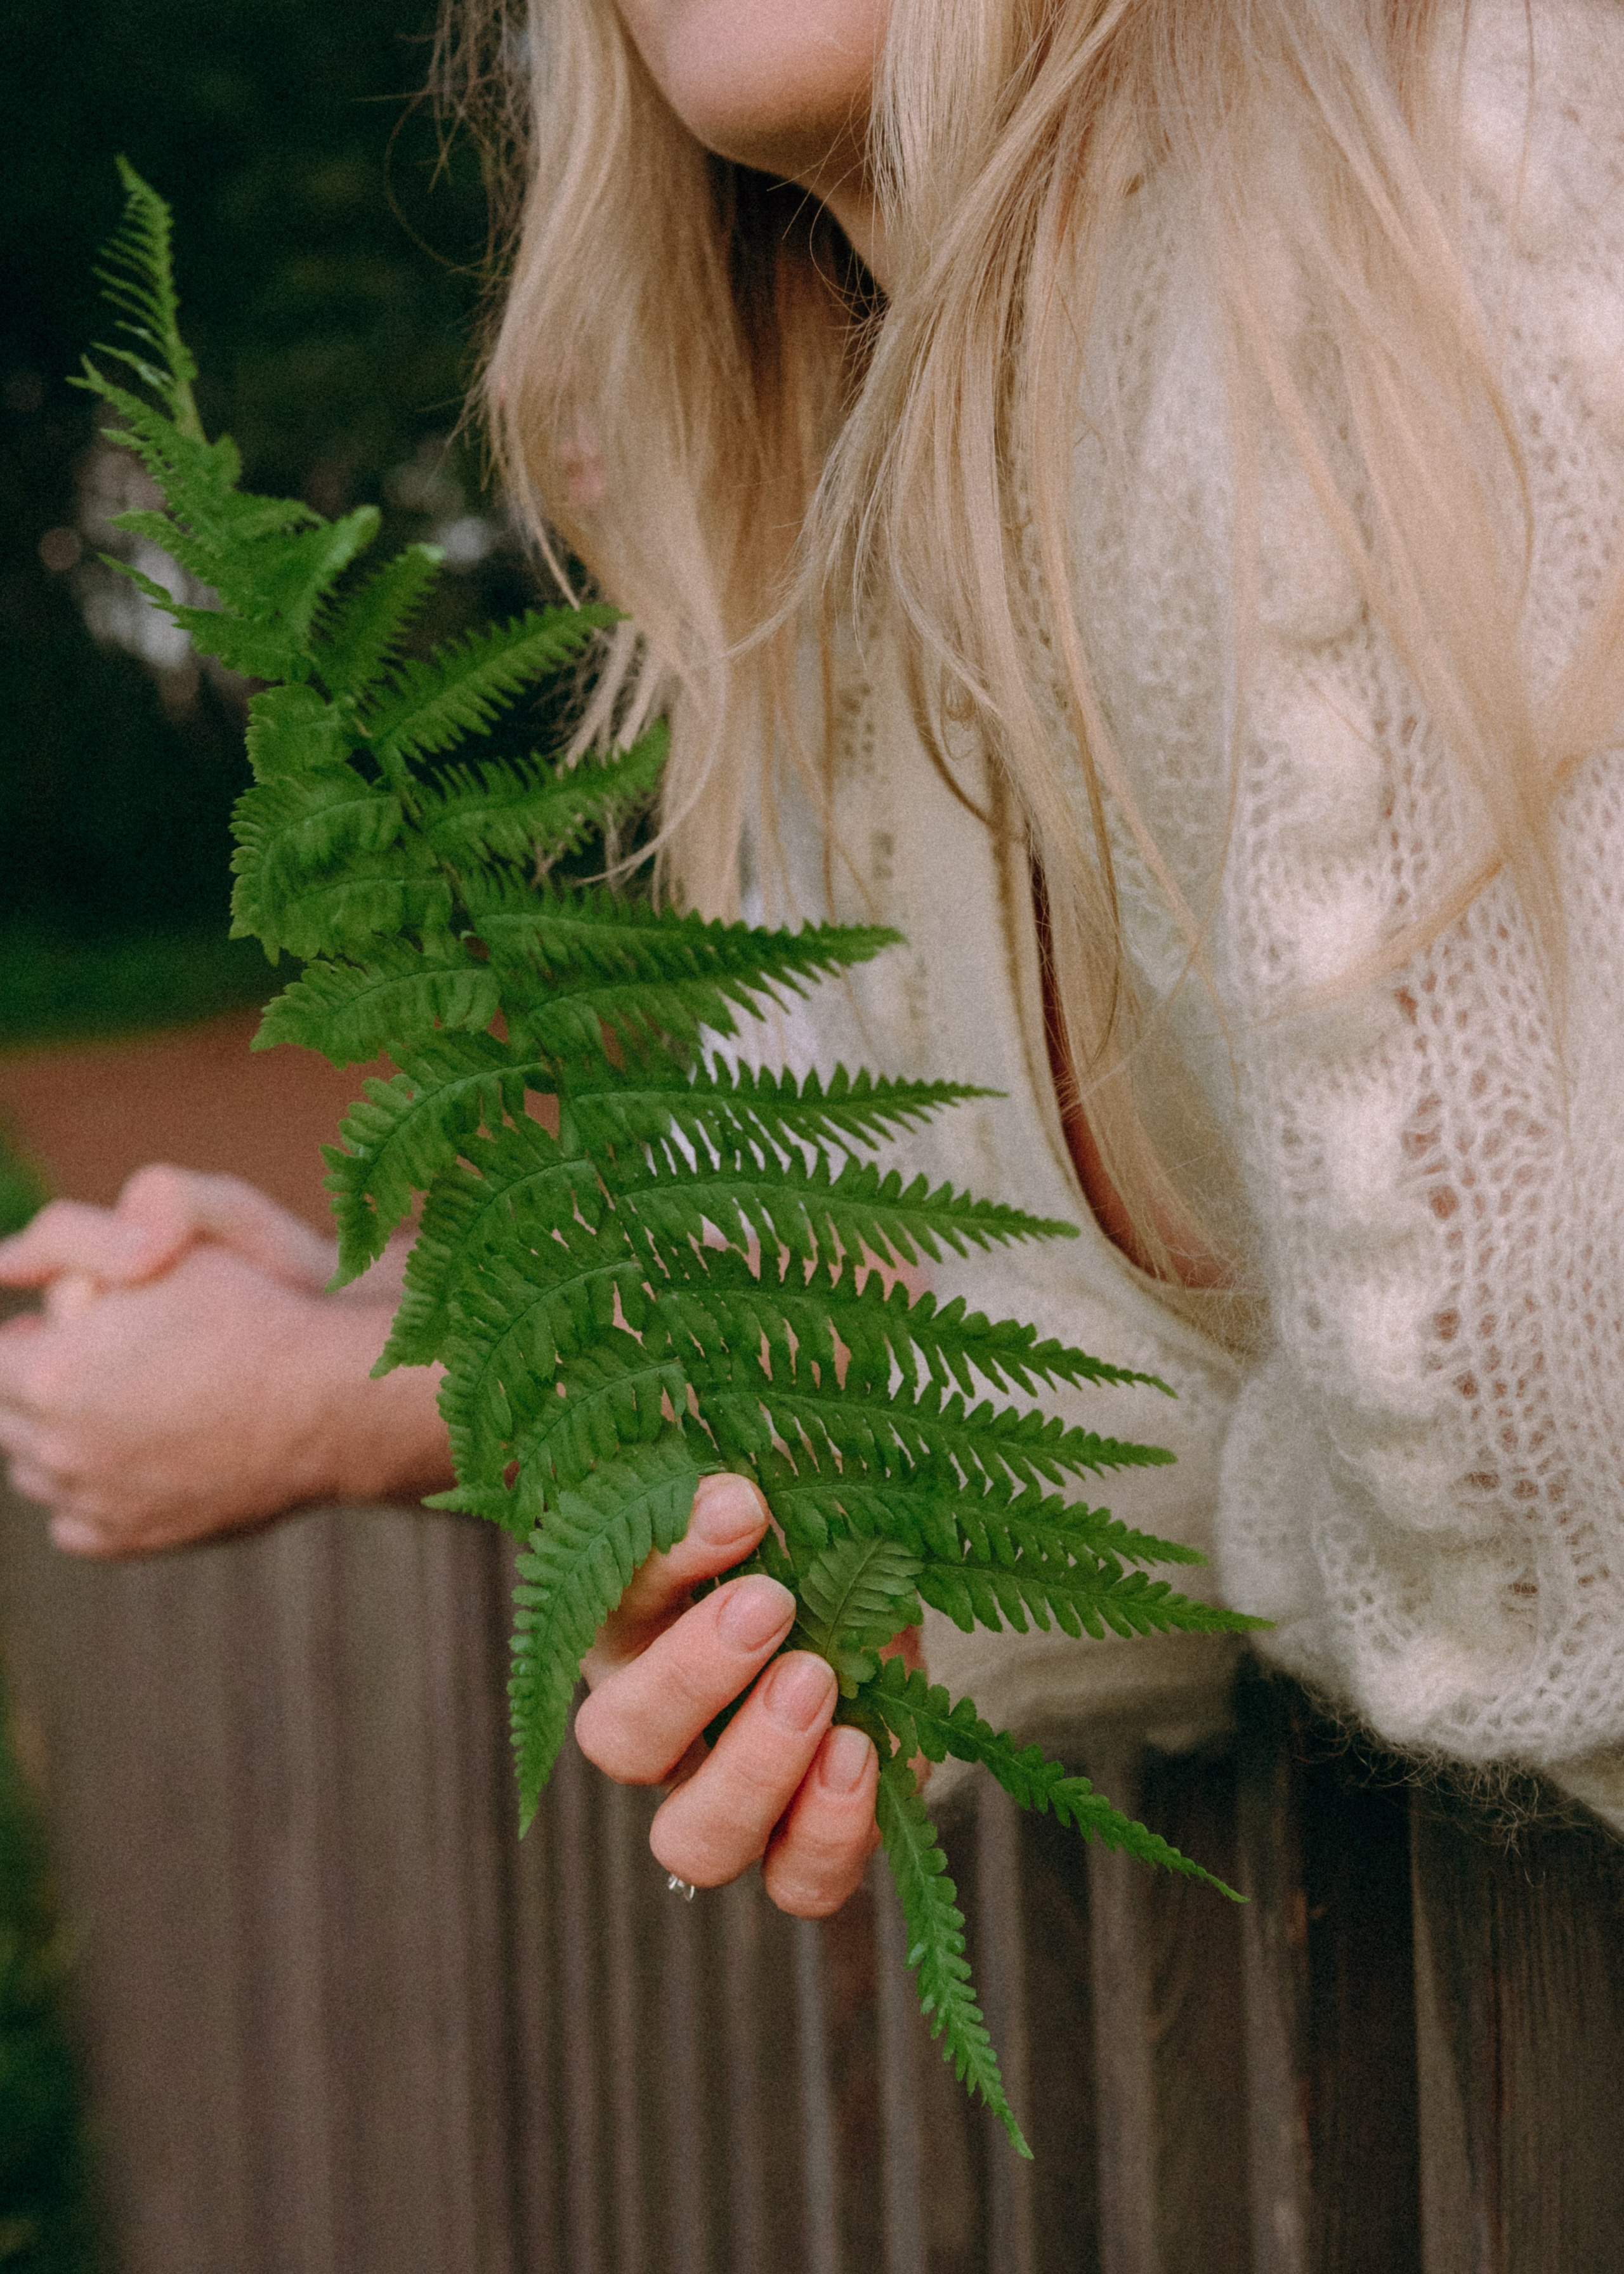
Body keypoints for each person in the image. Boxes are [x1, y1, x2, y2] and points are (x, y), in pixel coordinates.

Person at [6, 0, 1624, 1915]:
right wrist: (448, 1341)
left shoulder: (1422, 206)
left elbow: (1547, 1499)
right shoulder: (855, 521)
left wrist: (370, 1400)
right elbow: (910, 1273)